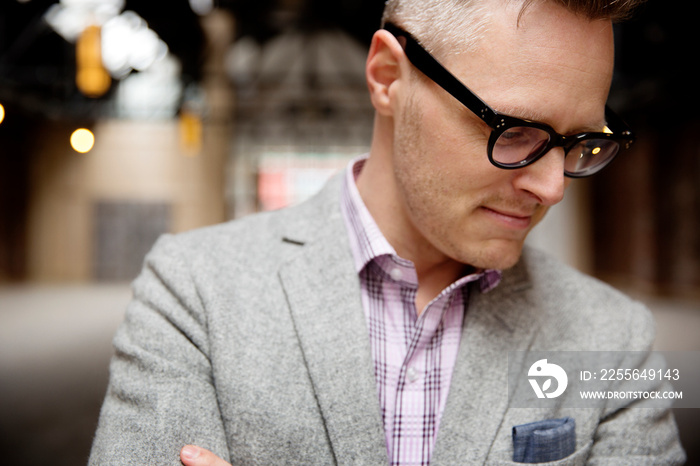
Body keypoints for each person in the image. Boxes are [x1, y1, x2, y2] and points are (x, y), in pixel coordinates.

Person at [90, 0, 686, 464]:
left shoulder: (619, 341)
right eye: (515, 131)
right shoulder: (193, 292)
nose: (553, 186)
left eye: (582, 143)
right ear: (387, 76)